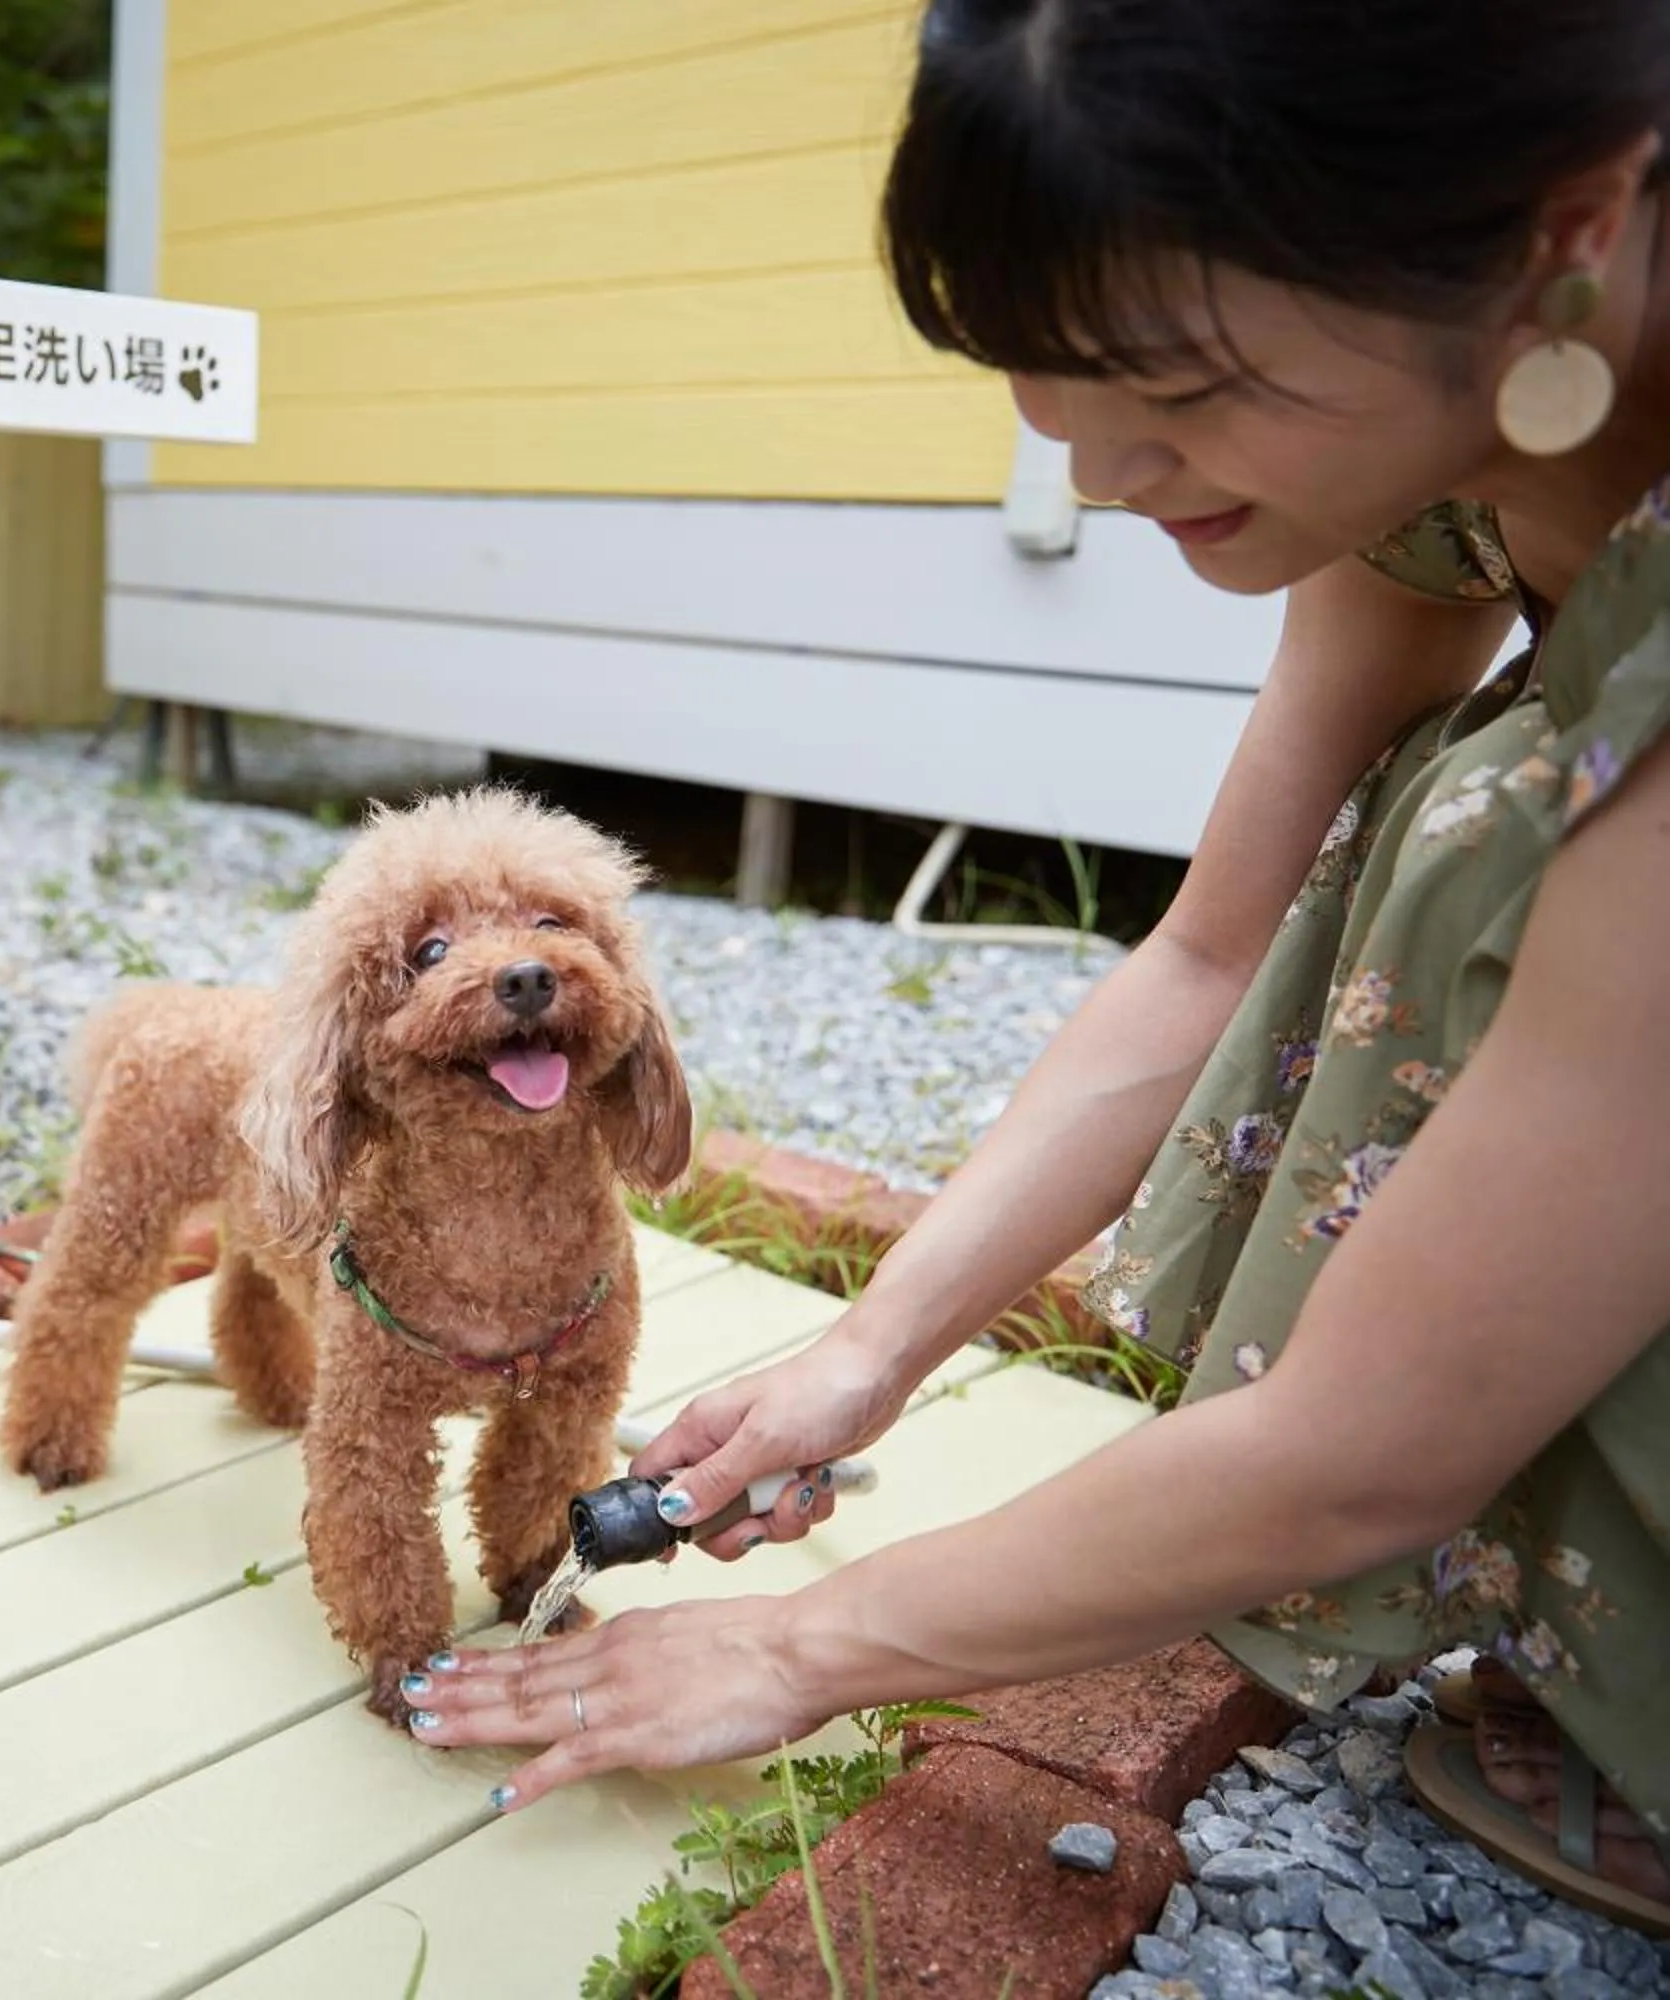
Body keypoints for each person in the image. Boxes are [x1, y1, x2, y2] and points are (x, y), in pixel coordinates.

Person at [398, 0, 1670, 1932]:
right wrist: (868, 1351)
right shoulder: (1471, 395)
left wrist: (806, 1643)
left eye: (1173, 379)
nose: (1091, 472)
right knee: (1468, 814)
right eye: (1038, 372)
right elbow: (1209, 953)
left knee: (1499, 833)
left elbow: (1372, 1450)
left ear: (1561, 232)